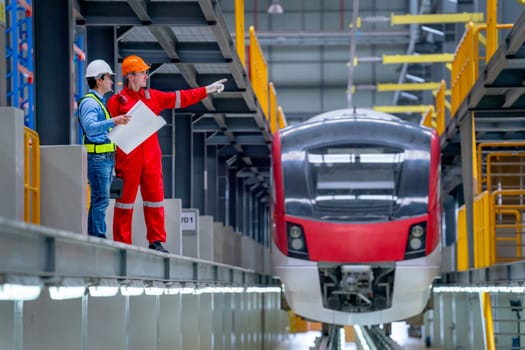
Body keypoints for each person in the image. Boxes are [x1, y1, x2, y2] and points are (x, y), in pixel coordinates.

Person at [107, 54, 226, 253]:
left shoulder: (153, 97)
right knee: (124, 203)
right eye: (143, 72)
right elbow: (108, 129)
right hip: (127, 158)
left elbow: (180, 97)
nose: (146, 76)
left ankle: (156, 241)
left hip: (151, 158)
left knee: (155, 199)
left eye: (146, 72)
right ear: (131, 76)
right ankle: (122, 243)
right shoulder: (116, 101)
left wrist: (207, 90)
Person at [78, 59, 130, 238]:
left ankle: (95, 236)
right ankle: (98, 237)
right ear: (99, 80)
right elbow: (90, 127)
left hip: (104, 158)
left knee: (99, 200)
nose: (112, 81)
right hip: (98, 159)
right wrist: (114, 121)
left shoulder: (98, 102)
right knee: (101, 200)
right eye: (108, 77)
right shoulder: (90, 103)